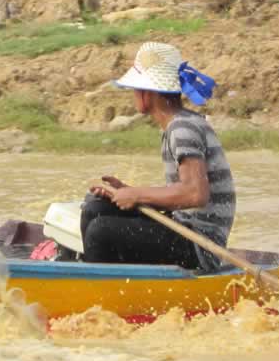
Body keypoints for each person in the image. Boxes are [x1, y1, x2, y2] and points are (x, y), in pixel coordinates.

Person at [81, 42, 236, 272]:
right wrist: (127, 192)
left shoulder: (182, 128)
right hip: (182, 227)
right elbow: (182, 195)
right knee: (95, 208)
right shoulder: (179, 124)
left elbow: (195, 194)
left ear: (147, 93)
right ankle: (118, 278)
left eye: (136, 89)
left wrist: (136, 194)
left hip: (199, 245)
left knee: (101, 231)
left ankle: (106, 295)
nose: (134, 96)